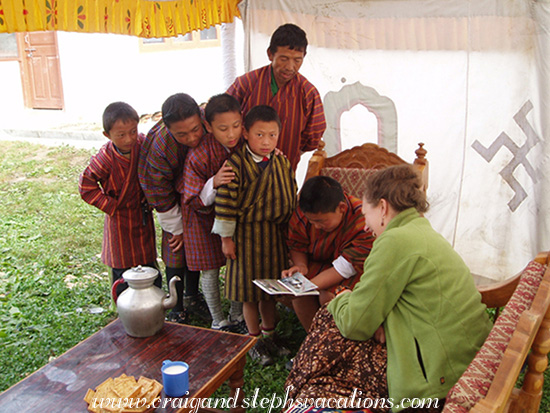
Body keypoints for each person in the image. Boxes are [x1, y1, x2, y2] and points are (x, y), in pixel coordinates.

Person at [285, 164, 492, 412]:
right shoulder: (418, 230)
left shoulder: (394, 241)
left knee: (329, 335)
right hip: (458, 358)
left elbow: (355, 323)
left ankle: (305, 398)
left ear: (382, 207)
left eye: (366, 214)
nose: (365, 225)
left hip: (436, 380)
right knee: (330, 337)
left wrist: (339, 298)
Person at [213, 105, 297, 366]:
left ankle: (270, 336)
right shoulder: (235, 164)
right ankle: (253, 340)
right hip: (246, 239)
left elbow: (291, 193)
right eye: (260, 135)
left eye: (272, 135)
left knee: (270, 291)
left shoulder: (281, 161)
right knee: (250, 293)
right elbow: (225, 203)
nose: (266, 142)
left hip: (274, 237)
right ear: (246, 133)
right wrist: (226, 239)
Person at [137, 93, 209, 324]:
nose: (191, 138)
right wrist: (177, 228)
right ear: (168, 129)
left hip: (197, 192)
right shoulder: (159, 147)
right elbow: (157, 190)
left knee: (197, 243)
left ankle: (192, 295)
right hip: (169, 198)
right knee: (176, 246)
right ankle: (176, 306)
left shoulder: (210, 119)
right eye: (181, 134)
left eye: (195, 129)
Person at [177, 93, 246, 333]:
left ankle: (237, 314)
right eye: (223, 128)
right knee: (210, 268)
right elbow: (192, 196)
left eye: (236, 126)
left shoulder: (244, 144)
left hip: (236, 218)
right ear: (208, 126)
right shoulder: (199, 154)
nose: (231, 134)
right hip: (201, 218)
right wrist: (214, 182)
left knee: (237, 264)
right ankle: (218, 319)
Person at [79, 102, 160, 294]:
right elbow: (86, 186)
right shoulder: (105, 158)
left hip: (141, 216)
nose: (129, 139)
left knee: (148, 262)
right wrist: (111, 206)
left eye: (133, 131)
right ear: (107, 135)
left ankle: (154, 301)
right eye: (121, 135)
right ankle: (123, 306)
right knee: (122, 268)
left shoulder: (142, 144)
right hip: (119, 219)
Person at [227, 23, 326, 170]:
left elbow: (312, 137)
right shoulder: (246, 83)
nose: (290, 67)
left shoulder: (308, 93)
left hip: (284, 172)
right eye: (284, 59)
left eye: (297, 60)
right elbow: (224, 117)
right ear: (270, 54)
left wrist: (291, 151)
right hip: (243, 171)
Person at [282, 176, 374, 331]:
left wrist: (308, 286)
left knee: (329, 296)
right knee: (299, 296)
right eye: (312, 222)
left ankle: (337, 341)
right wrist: (301, 265)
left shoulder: (363, 220)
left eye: (322, 221)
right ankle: (314, 340)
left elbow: (345, 267)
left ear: (342, 208)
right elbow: (296, 244)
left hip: (355, 269)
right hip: (318, 264)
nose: (316, 226)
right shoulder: (303, 212)